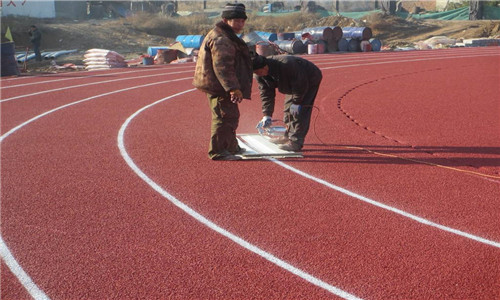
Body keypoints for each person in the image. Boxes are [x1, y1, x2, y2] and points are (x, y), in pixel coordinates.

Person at [192, 3, 253, 161]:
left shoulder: (226, 34)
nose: (241, 24)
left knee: (231, 115)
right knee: (224, 116)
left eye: (242, 21)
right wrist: (233, 88)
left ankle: (231, 146)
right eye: (237, 21)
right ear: (226, 20)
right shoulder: (221, 39)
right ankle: (219, 151)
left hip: (218, 84)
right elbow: (223, 66)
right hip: (218, 86)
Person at [253, 54, 322, 152]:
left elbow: (300, 84)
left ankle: (295, 142)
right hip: (292, 84)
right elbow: (266, 94)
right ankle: (287, 136)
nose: (258, 74)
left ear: (265, 67)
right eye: (255, 73)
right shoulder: (259, 75)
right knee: (288, 110)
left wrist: (297, 103)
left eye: (259, 72)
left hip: (309, 79)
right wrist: (267, 115)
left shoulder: (287, 64)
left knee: (299, 112)